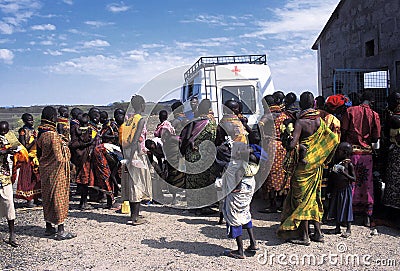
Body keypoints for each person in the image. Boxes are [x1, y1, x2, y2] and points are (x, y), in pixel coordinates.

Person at [277, 92, 339, 245]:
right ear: (314, 104)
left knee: (302, 200)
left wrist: (288, 137)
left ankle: (304, 236)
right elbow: (333, 139)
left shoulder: (300, 122)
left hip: (304, 166)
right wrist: (322, 156)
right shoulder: (320, 121)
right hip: (316, 165)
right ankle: (318, 233)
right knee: (314, 198)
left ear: (301, 105)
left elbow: (292, 146)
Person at [341, 90, 381, 227]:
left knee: (350, 183)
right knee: (366, 184)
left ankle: (349, 216)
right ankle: (367, 216)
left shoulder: (350, 111)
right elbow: (376, 137)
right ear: (372, 101)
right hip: (366, 154)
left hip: (351, 152)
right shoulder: (374, 115)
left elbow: (344, 130)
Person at [36, 106, 76, 240]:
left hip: (45, 170)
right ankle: (61, 230)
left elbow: (39, 154)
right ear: (53, 118)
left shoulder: (41, 133)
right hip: (56, 171)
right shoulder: (52, 135)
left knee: (48, 197)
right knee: (59, 197)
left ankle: (48, 227)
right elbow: (59, 158)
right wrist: (67, 155)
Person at [222, 142, 259, 259]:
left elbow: (236, 184)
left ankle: (240, 251)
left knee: (234, 218)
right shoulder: (252, 165)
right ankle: (253, 243)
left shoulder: (237, 165)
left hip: (237, 193)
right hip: (248, 190)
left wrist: (230, 190)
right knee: (245, 214)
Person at [180, 99, 217, 213]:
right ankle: (202, 207)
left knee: (191, 180)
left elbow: (185, 138)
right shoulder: (211, 122)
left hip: (191, 155)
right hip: (204, 155)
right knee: (203, 180)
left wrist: (183, 152)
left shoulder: (193, 121)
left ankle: (192, 206)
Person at [121, 95, 152, 225]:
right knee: (137, 184)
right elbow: (135, 141)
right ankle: (134, 217)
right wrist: (130, 160)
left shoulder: (128, 120)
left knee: (132, 183)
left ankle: (135, 214)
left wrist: (126, 156)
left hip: (128, 152)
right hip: (136, 154)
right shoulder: (140, 120)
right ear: (141, 105)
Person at [258, 95, 290, 213]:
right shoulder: (284, 116)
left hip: (271, 147)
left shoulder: (268, 116)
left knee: (270, 174)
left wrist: (265, 135)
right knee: (283, 174)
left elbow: (260, 125)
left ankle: (272, 205)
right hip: (283, 147)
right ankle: (283, 203)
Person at [326, 142, 355, 238]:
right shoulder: (337, 162)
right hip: (337, 189)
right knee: (337, 208)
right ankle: (337, 228)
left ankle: (348, 229)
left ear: (345, 153)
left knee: (346, 208)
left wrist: (344, 174)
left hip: (345, 189)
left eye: (339, 151)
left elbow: (354, 178)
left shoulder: (349, 164)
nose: (337, 152)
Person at [0, 121, 21, 247]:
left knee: (9, 203)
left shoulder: (9, 138)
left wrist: (13, 151)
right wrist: (5, 151)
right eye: (1, 131)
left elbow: (17, 147)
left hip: (4, 176)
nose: (3, 133)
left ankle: (12, 234)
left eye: (5, 131)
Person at [69, 113, 95, 210]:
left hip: (83, 157)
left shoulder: (83, 129)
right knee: (84, 180)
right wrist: (88, 143)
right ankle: (83, 203)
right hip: (83, 158)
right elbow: (74, 144)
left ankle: (83, 202)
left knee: (85, 180)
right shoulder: (80, 130)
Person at [15, 113, 41, 207]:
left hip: (35, 157)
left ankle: (36, 198)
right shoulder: (22, 131)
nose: (32, 121)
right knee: (28, 178)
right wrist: (34, 141)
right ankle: (29, 200)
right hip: (27, 158)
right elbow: (24, 146)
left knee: (36, 178)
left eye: (32, 119)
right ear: (24, 121)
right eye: (29, 120)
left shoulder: (33, 130)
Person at [383, 92, 400, 210]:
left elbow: (385, 134)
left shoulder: (394, 118)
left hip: (396, 153)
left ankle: (392, 208)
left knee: (394, 181)